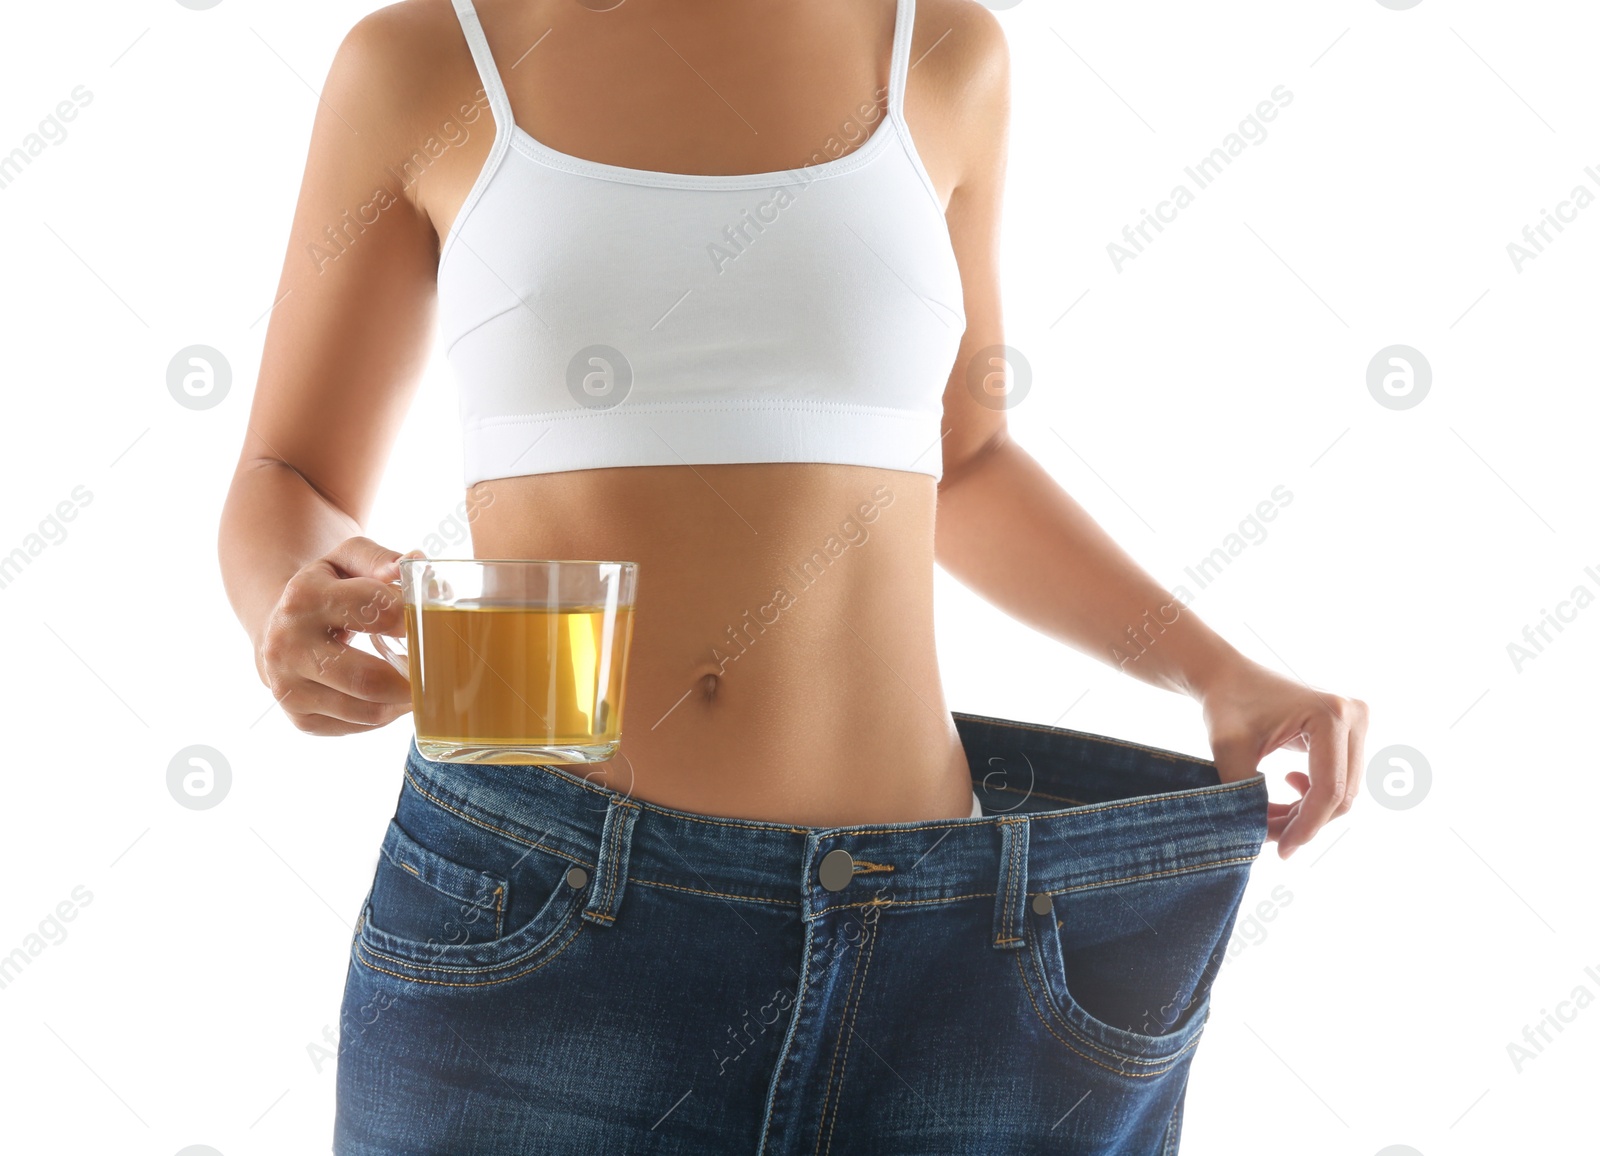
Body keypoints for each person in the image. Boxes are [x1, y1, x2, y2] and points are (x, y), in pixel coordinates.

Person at [218, 0, 1368, 1151]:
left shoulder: (943, 49)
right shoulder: (424, 59)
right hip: (544, 902)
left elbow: (961, 467)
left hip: (942, 934)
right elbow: (285, 472)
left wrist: (1214, 671)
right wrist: (307, 593)